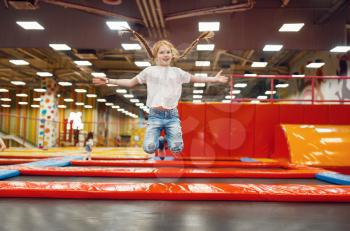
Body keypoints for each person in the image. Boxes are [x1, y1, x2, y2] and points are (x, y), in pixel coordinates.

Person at [93, 29, 228, 159]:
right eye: (162, 52)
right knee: (149, 148)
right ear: (156, 55)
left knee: (177, 148)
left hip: (172, 116)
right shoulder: (149, 71)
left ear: (172, 54)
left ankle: (167, 142)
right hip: (155, 116)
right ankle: (158, 143)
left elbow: (196, 78)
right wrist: (109, 80)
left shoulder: (177, 72)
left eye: (168, 52)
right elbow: (130, 82)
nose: (165, 55)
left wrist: (214, 79)